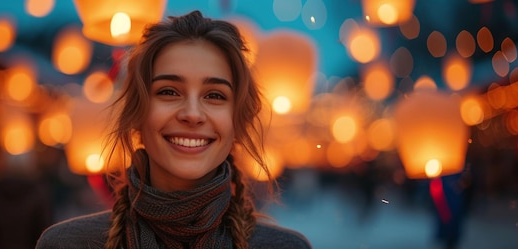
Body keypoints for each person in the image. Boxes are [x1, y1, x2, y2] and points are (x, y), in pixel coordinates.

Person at [36, 10, 312, 249]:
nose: (192, 114)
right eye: (168, 92)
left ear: (237, 122)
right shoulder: (68, 244)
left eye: (214, 95)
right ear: (136, 115)